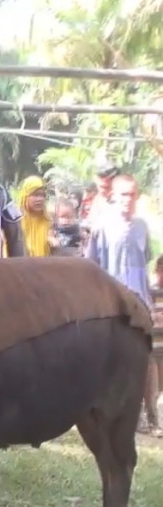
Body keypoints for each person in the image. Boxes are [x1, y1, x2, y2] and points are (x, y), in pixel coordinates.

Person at [86, 174, 151, 307]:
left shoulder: (142, 227)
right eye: (123, 194)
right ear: (113, 195)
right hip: (112, 301)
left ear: (137, 196)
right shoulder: (102, 227)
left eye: (132, 194)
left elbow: (146, 259)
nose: (128, 199)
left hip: (139, 300)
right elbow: (91, 264)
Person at [145, 255, 163, 437]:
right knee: (152, 389)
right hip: (151, 347)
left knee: (160, 390)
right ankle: (152, 423)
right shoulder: (150, 292)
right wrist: (155, 317)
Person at [17, 176, 52, 257]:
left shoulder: (49, 222)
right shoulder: (16, 222)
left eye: (42, 195)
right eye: (35, 195)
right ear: (25, 196)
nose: (40, 199)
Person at [81, 161, 119, 229]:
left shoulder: (122, 201)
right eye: (101, 187)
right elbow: (91, 222)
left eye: (107, 187)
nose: (103, 191)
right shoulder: (98, 199)